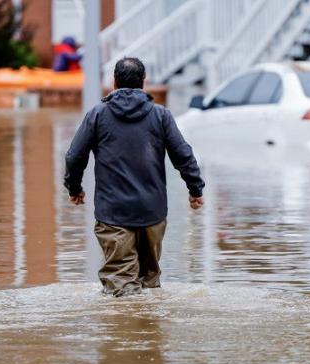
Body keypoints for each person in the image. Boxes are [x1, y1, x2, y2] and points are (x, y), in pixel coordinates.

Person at [64, 57, 205, 297]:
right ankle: (150, 332)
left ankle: (126, 330)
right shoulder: (161, 115)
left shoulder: (98, 115)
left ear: (114, 82)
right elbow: (183, 155)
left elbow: (74, 156)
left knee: (122, 287)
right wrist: (195, 189)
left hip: (113, 213)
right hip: (152, 213)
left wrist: (74, 188)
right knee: (149, 282)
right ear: (144, 82)